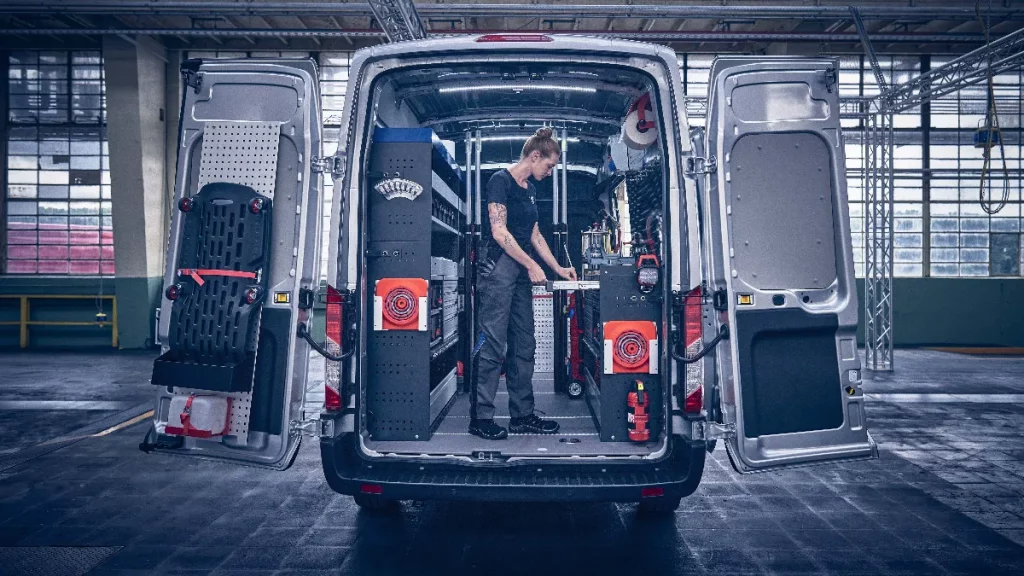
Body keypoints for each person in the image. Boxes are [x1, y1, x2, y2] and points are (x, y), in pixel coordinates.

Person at [469, 127, 578, 440]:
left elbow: (534, 234)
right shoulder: (499, 181)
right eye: (549, 165)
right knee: (491, 344)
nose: (551, 171)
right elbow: (499, 232)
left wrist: (558, 267)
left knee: (524, 343)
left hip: (518, 273)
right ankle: (482, 418)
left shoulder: (529, 189)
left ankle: (522, 416)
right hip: (498, 270)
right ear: (534, 156)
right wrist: (531, 264)